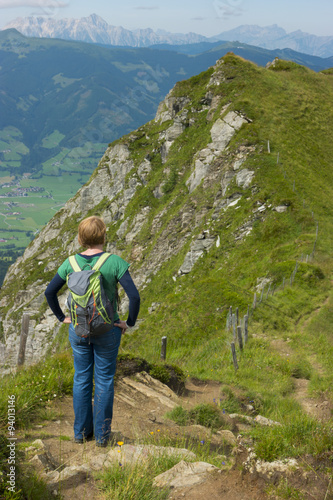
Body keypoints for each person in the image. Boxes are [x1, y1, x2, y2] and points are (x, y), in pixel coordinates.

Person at [45, 216, 140, 447]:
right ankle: (102, 437)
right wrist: (129, 322)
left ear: (80, 238)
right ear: (104, 236)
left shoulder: (70, 263)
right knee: (105, 380)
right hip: (108, 330)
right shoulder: (114, 262)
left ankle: (80, 434)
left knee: (81, 379)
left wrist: (62, 318)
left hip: (79, 330)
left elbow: (49, 292)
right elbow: (135, 296)